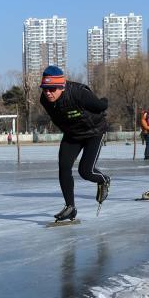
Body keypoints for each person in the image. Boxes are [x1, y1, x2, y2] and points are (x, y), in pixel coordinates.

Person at [38, 65, 109, 222]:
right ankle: (70, 207)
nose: (48, 93)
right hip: (72, 134)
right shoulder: (44, 100)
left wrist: (103, 101)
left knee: (86, 171)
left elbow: (101, 106)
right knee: (64, 167)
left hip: (93, 132)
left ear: (62, 86)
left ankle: (103, 180)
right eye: (45, 89)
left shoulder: (79, 93)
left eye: (52, 89)